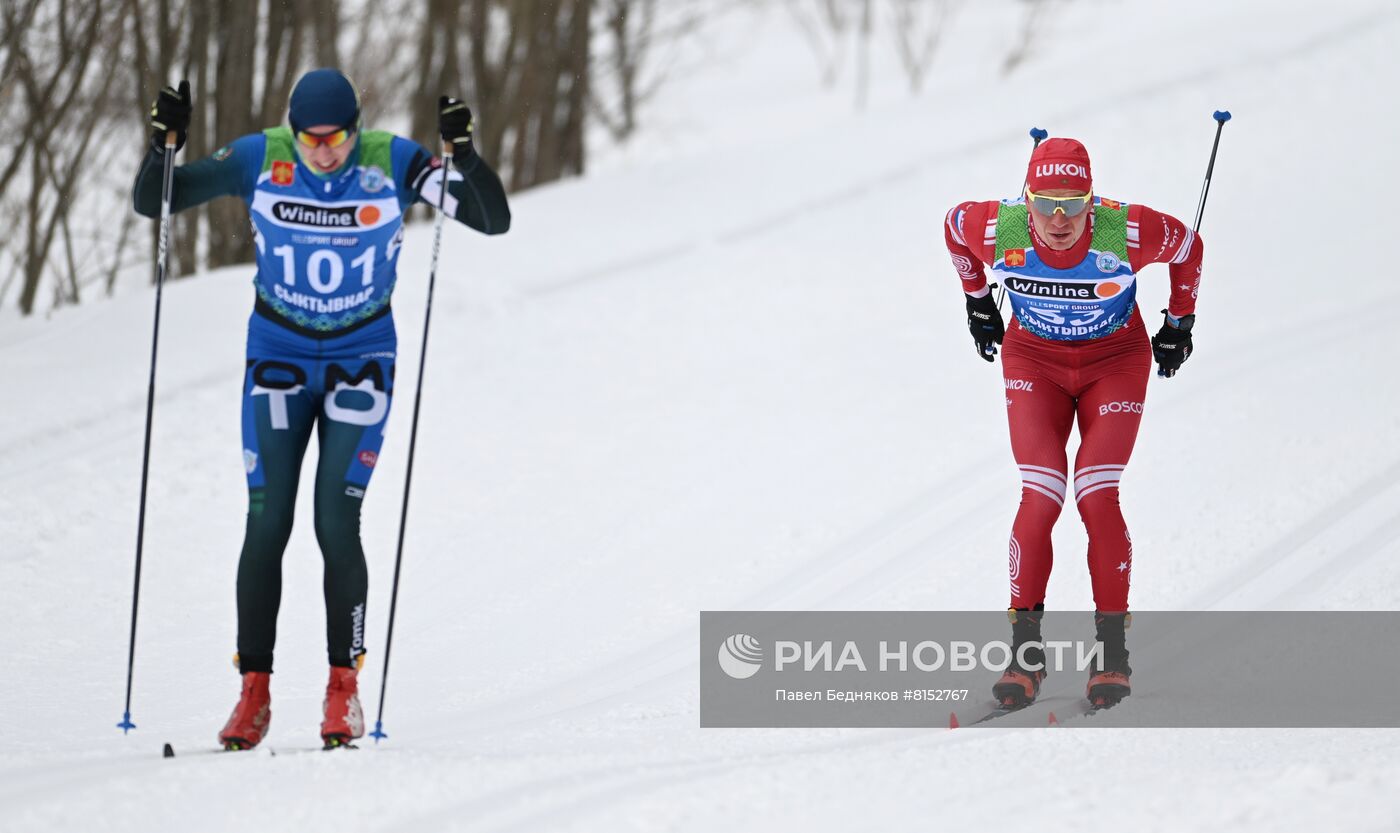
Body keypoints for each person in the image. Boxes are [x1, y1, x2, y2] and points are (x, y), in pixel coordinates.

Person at [133, 68, 511, 749]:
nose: (324, 153)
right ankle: (253, 692)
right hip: (277, 355)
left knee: (335, 521)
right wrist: (165, 146)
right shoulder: (261, 156)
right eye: (311, 140)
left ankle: (344, 690)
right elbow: (156, 201)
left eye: (337, 138)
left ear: (356, 128)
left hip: (360, 359)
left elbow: (492, 219)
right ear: (293, 132)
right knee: (266, 520)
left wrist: (464, 156)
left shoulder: (390, 161)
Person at [943, 137, 1201, 709]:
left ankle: (1112, 654)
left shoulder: (1127, 230)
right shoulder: (997, 228)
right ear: (1027, 199)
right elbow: (953, 228)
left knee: (1095, 491)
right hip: (1034, 363)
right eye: (1044, 204)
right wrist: (977, 300)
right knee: (1041, 494)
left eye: (1073, 204)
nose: (1058, 220)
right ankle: (1025, 656)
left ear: (1092, 199)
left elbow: (1190, 245)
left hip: (1115, 363)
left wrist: (1179, 322)